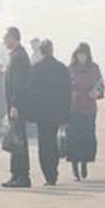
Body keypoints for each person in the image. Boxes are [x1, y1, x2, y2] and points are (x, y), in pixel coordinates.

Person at [30, 39, 72, 186]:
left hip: (41, 114)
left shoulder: (36, 69)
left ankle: (48, 175)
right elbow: (67, 94)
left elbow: (32, 93)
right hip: (57, 113)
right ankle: (53, 173)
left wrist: (31, 113)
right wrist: (66, 115)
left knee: (44, 143)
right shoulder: (61, 68)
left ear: (41, 52)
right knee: (53, 142)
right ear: (52, 50)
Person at [67, 42, 104, 181]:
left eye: (84, 55)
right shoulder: (70, 69)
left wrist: (98, 93)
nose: (82, 57)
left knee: (87, 137)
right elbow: (65, 89)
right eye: (80, 55)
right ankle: (74, 167)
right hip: (74, 108)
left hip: (89, 109)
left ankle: (84, 163)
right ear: (76, 56)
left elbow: (101, 86)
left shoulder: (94, 68)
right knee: (74, 138)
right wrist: (76, 95)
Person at [2, 27, 32, 188]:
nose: (4, 41)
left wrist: (14, 104)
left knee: (19, 139)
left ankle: (23, 176)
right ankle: (15, 174)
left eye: (6, 37)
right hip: (14, 105)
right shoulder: (15, 55)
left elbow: (19, 84)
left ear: (13, 38)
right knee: (15, 139)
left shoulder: (20, 56)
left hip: (18, 106)